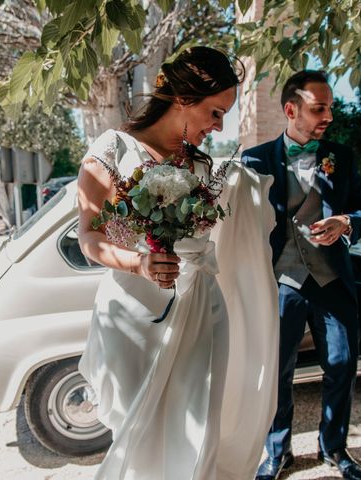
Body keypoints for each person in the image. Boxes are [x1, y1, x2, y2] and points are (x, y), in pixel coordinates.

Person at [77, 47, 280, 480]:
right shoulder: (114, 148)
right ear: (183, 98)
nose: (218, 126)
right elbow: (88, 236)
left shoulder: (205, 168)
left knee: (199, 435)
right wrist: (139, 263)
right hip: (132, 317)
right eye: (215, 111)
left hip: (201, 310)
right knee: (142, 441)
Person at [242, 70, 361, 480]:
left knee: (342, 362)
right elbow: (242, 227)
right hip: (281, 282)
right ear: (290, 110)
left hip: (331, 278)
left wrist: (346, 223)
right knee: (277, 370)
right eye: (319, 108)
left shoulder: (342, 156)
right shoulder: (254, 160)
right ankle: (277, 452)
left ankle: (333, 447)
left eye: (330, 107)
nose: (328, 116)